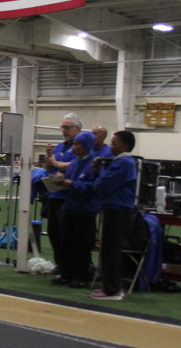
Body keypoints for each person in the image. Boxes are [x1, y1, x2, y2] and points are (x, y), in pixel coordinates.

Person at [88, 131, 138, 301]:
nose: (111, 146)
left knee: (111, 250)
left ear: (125, 146)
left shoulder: (124, 163)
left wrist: (99, 171)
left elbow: (102, 185)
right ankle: (111, 286)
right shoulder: (121, 162)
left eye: (115, 143)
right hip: (114, 207)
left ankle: (112, 289)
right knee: (110, 249)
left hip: (117, 209)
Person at [54, 131, 99, 288]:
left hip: (85, 211)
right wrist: (60, 182)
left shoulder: (94, 164)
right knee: (66, 243)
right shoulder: (74, 164)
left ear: (86, 146)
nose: (73, 147)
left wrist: (72, 184)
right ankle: (67, 274)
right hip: (70, 208)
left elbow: (93, 187)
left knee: (82, 246)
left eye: (76, 144)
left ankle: (82, 277)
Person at [45, 113, 83, 275]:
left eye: (67, 127)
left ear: (77, 128)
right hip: (54, 194)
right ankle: (60, 264)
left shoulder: (80, 148)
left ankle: (70, 267)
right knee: (53, 232)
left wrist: (55, 163)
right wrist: (49, 158)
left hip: (69, 197)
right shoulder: (59, 147)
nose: (64, 130)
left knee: (67, 234)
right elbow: (49, 168)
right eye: (62, 127)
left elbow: (73, 165)